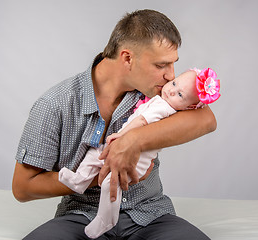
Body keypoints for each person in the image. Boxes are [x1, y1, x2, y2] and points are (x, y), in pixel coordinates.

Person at [12, 9, 217, 240]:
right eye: (161, 65)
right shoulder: (54, 104)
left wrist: (132, 141)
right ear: (127, 58)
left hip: (150, 215)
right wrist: (100, 176)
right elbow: (22, 188)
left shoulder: (157, 94)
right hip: (81, 216)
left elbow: (207, 119)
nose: (171, 76)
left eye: (173, 64)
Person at [58, 68, 220, 238]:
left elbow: (141, 121)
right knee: (95, 154)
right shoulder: (158, 98)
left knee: (110, 183)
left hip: (136, 161)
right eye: (174, 83)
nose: (171, 89)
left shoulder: (165, 109)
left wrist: (121, 135)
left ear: (190, 107)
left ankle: (106, 219)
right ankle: (79, 180)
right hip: (120, 148)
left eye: (180, 95)